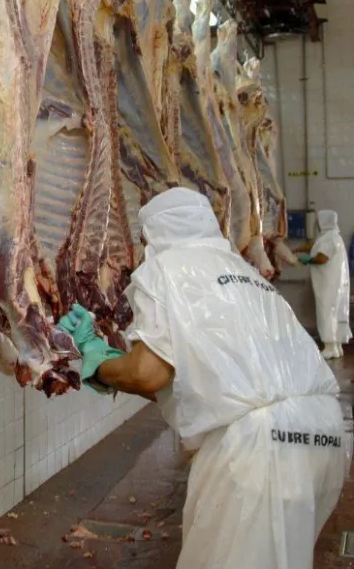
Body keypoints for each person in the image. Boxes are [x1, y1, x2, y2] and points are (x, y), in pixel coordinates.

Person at [59, 187, 346, 569]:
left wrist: (97, 361)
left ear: (152, 236)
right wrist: (115, 368)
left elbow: (147, 374)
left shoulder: (167, 268)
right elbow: (207, 384)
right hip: (324, 433)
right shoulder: (244, 274)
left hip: (261, 444)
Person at [294, 209, 351, 359]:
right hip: (336, 285)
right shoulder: (333, 237)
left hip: (329, 285)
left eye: (319, 221)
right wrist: (298, 249)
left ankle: (329, 346)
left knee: (326, 313)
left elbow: (322, 258)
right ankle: (336, 347)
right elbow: (315, 245)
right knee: (335, 312)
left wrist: (307, 260)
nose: (317, 224)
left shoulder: (329, 239)